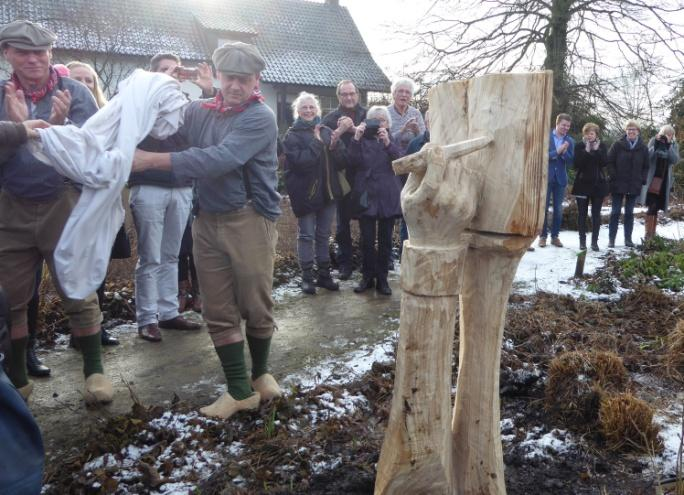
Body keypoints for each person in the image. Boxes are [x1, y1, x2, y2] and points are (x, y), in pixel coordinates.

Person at [131, 41, 282, 419]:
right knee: (217, 306)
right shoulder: (199, 111)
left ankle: (261, 373)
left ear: (256, 80)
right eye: (229, 78)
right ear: (217, 76)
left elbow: (219, 159)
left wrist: (150, 160)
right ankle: (238, 389)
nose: (235, 86)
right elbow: (161, 122)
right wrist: (158, 83)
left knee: (255, 301)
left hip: (249, 218)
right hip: (206, 219)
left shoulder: (260, 117)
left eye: (243, 80)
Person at [0, 19, 112, 404]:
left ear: (51, 54)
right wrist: (17, 129)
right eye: (23, 52)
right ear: (7, 54)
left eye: (40, 52)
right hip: (10, 207)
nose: (33, 59)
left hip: (62, 203)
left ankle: (95, 372)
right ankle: (18, 380)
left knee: (78, 288)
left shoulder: (75, 92)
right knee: (10, 298)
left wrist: (59, 131)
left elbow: (93, 153)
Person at [127, 52, 204, 342]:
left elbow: (199, 133)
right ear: (153, 74)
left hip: (182, 187)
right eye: (165, 70)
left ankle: (169, 313)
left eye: (176, 70)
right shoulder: (141, 101)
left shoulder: (185, 105)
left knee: (173, 254)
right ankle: (147, 319)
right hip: (148, 186)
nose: (172, 74)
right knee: (150, 257)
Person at [66, 60, 123, 346]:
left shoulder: (106, 116)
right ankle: (77, 331)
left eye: (90, 80)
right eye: (78, 80)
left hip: (101, 200)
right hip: (67, 201)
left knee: (97, 264)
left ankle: (94, 328)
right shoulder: (58, 118)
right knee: (72, 267)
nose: (85, 86)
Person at [283, 92, 349, 295]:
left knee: (323, 235)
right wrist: (318, 142)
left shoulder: (327, 130)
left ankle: (324, 274)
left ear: (317, 110)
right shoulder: (291, 135)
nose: (309, 110)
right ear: (298, 111)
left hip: (328, 194)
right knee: (306, 235)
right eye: (304, 107)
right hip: (305, 194)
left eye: (312, 107)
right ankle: (307, 277)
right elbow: (301, 163)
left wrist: (336, 144)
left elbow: (343, 161)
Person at [348, 106, 403, 296]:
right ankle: (367, 277)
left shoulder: (391, 139)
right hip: (366, 195)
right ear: (367, 122)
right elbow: (352, 162)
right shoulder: (360, 140)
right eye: (375, 120)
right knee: (367, 241)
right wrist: (356, 137)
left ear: (388, 124)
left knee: (386, 240)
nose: (379, 123)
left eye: (383, 120)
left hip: (387, 194)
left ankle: (383, 279)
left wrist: (387, 142)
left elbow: (401, 161)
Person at [322, 80, 367, 280]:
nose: (349, 98)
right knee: (342, 223)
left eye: (352, 93)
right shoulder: (330, 118)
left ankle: (368, 263)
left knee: (367, 221)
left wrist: (352, 129)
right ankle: (345, 264)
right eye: (344, 94)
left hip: (365, 174)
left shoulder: (367, 115)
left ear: (357, 94)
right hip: (341, 176)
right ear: (339, 96)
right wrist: (339, 131)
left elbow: (372, 138)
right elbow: (325, 144)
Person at [607, 120, 649, 248]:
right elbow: (610, 161)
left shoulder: (643, 147)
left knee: (629, 213)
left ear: (638, 131)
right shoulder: (617, 145)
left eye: (634, 129)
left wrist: (643, 178)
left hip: (634, 184)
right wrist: (613, 175)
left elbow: (646, 166)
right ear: (626, 131)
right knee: (615, 212)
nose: (631, 131)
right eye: (629, 129)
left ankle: (628, 239)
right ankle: (611, 240)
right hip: (618, 183)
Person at [571, 122, 608, 251]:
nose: (589, 136)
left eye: (591, 133)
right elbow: (576, 165)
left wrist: (597, 150)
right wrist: (586, 151)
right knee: (582, 214)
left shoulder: (602, 146)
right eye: (586, 133)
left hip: (598, 186)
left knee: (596, 214)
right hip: (582, 185)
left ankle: (594, 242)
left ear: (596, 134)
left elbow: (604, 163)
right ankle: (582, 242)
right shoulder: (579, 146)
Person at [539, 113, 574, 248]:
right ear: (557, 123)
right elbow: (541, 156)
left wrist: (565, 152)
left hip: (560, 179)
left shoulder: (570, 141)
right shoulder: (546, 137)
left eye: (568, 126)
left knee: (558, 209)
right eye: (564, 125)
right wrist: (557, 152)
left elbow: (571, 161)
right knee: (544, 208)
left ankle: (555, 237)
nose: (566, 128)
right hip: (546, 177)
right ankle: (542, 237)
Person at [640, 125, 680, 240]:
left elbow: (675, 160)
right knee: (652, 205)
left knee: (656, 206)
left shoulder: (673, 145)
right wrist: (656, 145)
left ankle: (652, 234)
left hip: (664, 182)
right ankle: (648, 234)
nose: (668, 135)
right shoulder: (654, 140)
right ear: (661, 133)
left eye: (671, 134)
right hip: (652, 180)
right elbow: (648, 156)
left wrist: (668, 146)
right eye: (666, 133)